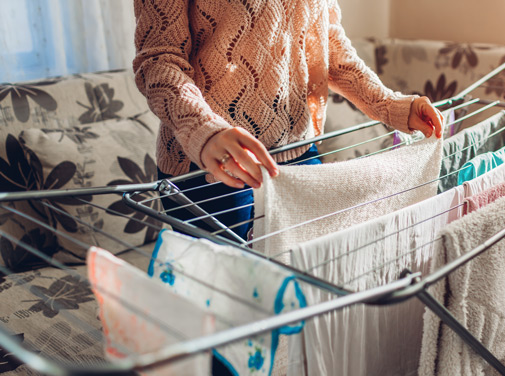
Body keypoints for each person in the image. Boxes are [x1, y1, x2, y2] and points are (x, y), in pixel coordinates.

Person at [132, 0, 444, 242]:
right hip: (214, 165)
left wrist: (388, 103)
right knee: (230, 310)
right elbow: (158, 61)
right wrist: (204, 130)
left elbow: (327, 40)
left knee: (305, 296)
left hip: (299, 153)